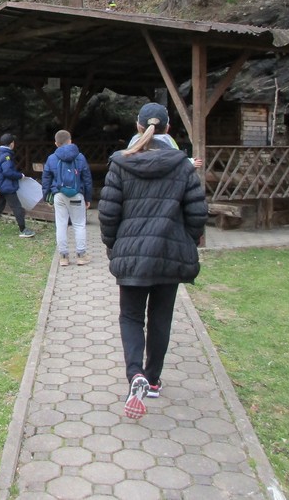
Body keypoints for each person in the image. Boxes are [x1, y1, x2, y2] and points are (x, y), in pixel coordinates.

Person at [98, 102, 208, 419]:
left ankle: (135, 374)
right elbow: (197, 213)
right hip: (169, 256)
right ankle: (154, 378)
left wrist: (114, 246)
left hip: (132, 255)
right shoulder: (183, 166)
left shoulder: (121, 163)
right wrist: (184, 242)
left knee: (131, 317)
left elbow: (108, 213)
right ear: (168, 129)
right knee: (161, 318)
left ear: (138, 126)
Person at [41, 129, 94, 266]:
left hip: (59, 195)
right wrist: (88, 198)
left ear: (56, 143)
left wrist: (46, 196)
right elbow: (87, 179)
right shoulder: (80, 157)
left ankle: (63, 256)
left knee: (61, 224)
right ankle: (81, 255)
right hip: (77, 194)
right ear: (70, 141)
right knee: (79, 224)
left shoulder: (52, 158)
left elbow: (46, 179)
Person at [0, 134, 35, 238]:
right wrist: (20, 175)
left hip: (1, 184)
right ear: (12, 144)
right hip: (7, 186)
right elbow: (7, 172)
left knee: (0, 206)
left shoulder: (0, 153)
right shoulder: (7, 155)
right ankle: (23, 230)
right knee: (17, 207)